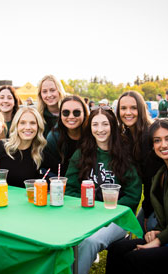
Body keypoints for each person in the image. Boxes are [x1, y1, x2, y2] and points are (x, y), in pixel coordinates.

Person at [65, 106, 142, 274]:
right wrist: (85, 207)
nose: (100, 130)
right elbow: (70, 188)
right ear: (89, 128)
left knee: (90, 241)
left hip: (117, 217)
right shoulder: (82, 153)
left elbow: (133, 194)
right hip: (85, 213)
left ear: (112, 126)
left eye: (105, 124)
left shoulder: (124, 155)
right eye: (95, 125)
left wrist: (107, 212)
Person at [106, 119, 168, 274]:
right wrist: (158, 231)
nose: (163, 145)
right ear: (152, 145)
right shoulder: (161, 174)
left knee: (134, 259)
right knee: (118, 248)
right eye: (157, 140)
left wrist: (160, 239)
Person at [116, 90, 164, 234]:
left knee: (147, 228)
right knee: (135, 228)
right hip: (151, 197)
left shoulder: (149, 135)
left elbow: (153, 181)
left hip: (164, 198)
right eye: (123, 108)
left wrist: (148, 210)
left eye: (133, 108)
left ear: (141, 110)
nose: (128, 112)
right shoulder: (127, 135)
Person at [0, 107, 54, 185]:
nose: (28, 127)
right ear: (16, 125)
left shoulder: (40, 153)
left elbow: (61, 172)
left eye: (32, 123)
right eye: (22, 123)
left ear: (38, 127)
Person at [45, 95, 89, 176]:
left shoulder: (92, 134)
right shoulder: (53, 138)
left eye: (76, 112)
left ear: (84, 113)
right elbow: (50, 169)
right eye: (66, 113)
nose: (71, 116)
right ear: (60, 115)